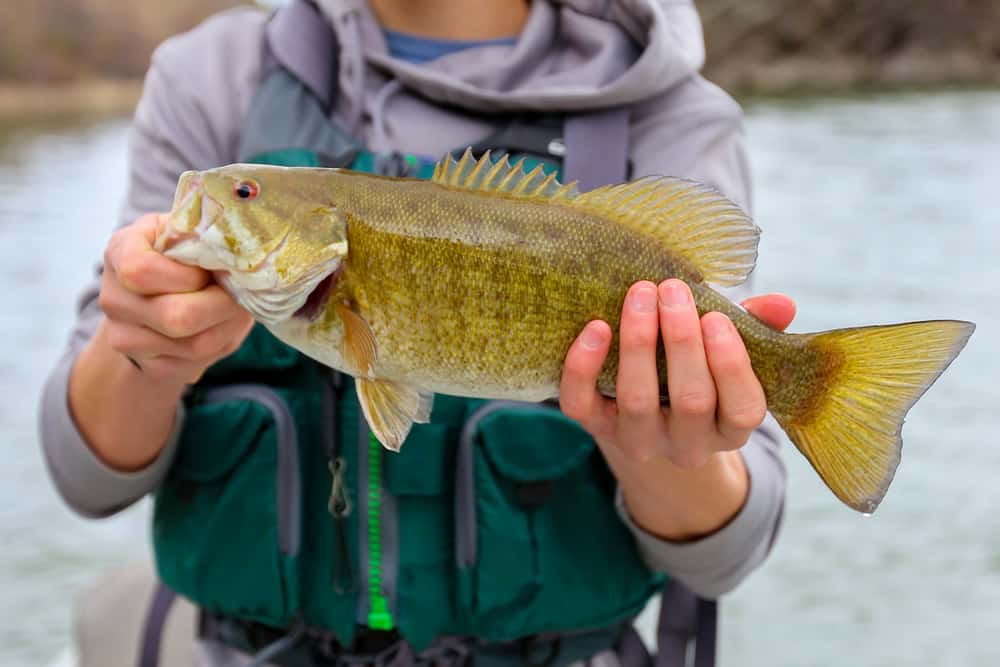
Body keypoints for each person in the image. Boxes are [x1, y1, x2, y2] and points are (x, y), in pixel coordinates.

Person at [40, 0, 792, 665]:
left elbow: (727, 550)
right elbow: (86, 477)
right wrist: (143, 344)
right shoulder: (212, 76)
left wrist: (659, 440)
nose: (219, 200)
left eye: (244, 193)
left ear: (323, 238)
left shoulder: (670, 113)